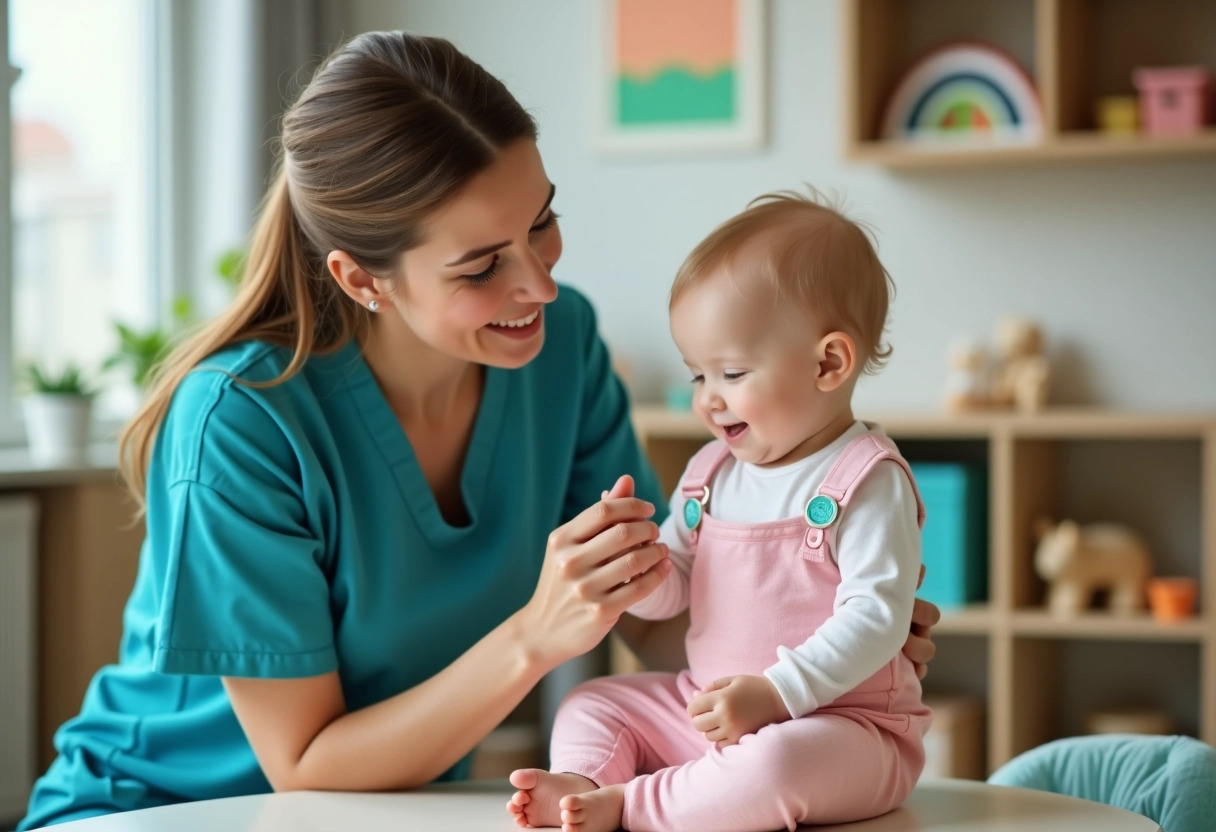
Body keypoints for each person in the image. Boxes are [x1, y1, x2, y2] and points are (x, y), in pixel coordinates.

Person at [19, 32, 940, 830]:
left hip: (395, 810)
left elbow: (658, 619)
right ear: (360, 277)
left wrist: (808, 638)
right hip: (166, 811)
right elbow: (301, 764)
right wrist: (535, 638)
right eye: (481, 266)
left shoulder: (563, 349)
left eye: (541, 221)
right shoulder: (241, 422)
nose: (538, 284)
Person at [508, 192, 932, 832]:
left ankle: (635, 805)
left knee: (777, 766)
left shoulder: (866, 479)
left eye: (730, 373)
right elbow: (677, 588)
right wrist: (640, 572)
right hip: (707, 708)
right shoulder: (711, 474)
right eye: (696, 376)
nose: (706, 401)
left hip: (840, 727)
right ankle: (587, 784)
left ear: (829, 363)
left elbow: (878, 616)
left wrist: (776, 695)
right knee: (593, 701)